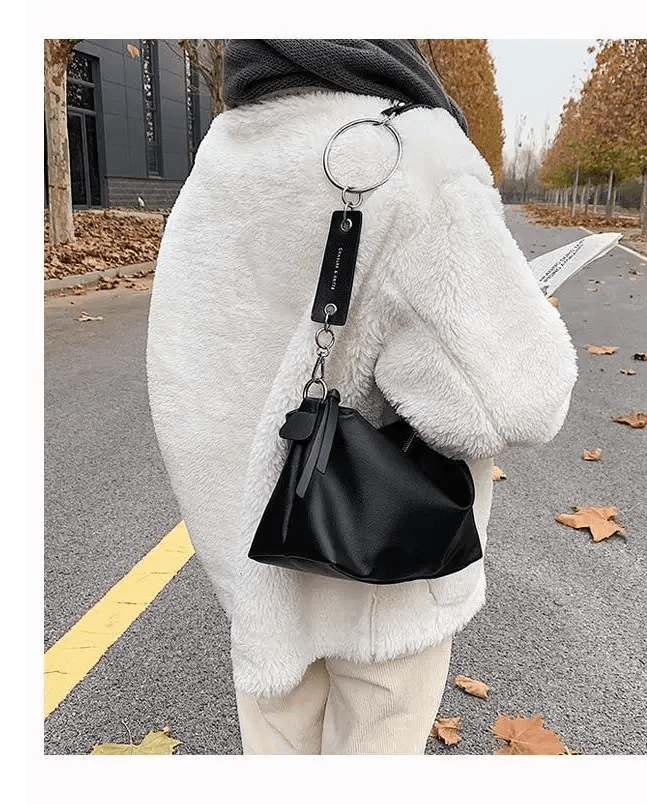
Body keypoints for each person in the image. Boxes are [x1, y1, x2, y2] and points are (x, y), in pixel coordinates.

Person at [146, 39, 578, 755]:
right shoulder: (416, 153)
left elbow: (192, 351)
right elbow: (515, 401)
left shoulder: (221, 152)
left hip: (249, 568)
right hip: (381, 579)